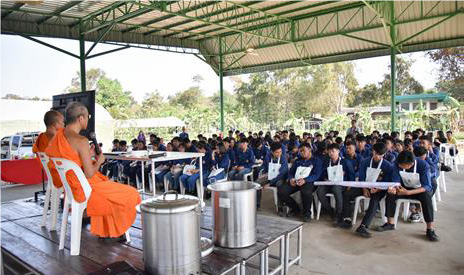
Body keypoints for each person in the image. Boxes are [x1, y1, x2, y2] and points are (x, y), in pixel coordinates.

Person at [45, 102, 141, 240]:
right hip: (85, 188)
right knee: (131, 193)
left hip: (70, 189)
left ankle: (108, 228)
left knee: (112, 191)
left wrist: (88, 155)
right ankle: (113, 229)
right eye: (88, 116)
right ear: (81, 118)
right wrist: (100, 161)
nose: (88, 119)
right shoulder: (81, 140)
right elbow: (89, 173)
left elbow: (73, 163)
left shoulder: (58, 136)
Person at [381, 151, 439, 242]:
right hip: (403, 188)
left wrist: (408, 192)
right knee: (390, 194)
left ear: (410, 164)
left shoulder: (423, 165)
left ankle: (430, 229)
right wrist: (394, 188)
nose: (399, 166)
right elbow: (396, 180)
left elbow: (427, 186)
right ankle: (390, 223)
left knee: (427, 197)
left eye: (402, 165)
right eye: (399, 164)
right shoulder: (397, 163)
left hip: (418, 190)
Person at [351, 142, 395, 236]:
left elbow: (387, 182)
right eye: (376, 154)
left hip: (380, 189)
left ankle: (363, 226)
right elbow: (361, 177)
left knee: (374, 200)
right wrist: (364, 189)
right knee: (348, 193)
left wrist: (378, 189)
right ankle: (345, 218)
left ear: (384, 154)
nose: (378, 157)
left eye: (381, 155)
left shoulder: (388, 166)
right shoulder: (365, 161)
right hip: (365, 186)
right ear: (373, 151)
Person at [277, 143, 323, 222]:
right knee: (281, 191)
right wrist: (291, 178)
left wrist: (305, 180)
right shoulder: (298, 161)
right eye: (300, 151)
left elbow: (317, 175)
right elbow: (291, 172)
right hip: (296, 181)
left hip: (309, 182)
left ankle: (307, 214)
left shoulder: (317, 161)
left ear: (309, 150)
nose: (301, 153)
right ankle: (295, 208)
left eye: (303, 151)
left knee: (305, 192)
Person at [317, 143, 355, 226]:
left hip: (341, 185)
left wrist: (350, 185)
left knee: (336, 189)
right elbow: (322, 174)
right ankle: (331, 211)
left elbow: (352, 175)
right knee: (319, 192)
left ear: (338, 151)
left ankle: (339, 214)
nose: (331, 153)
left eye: (333, 151)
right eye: (329, 152)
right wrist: (325, 179)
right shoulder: (327, 162)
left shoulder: (345, 162)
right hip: (329, 183)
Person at [33, 110, 65, 188]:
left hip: (50, 174)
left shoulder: (40, 137)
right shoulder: (58, 139)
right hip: (61, 176)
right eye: (62, 122)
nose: (64, 124)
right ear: (55, 125)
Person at [256, 142, 288, 209]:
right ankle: (257, 204)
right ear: (272, 152)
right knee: (257, 183)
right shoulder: (268, 156)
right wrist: (264, 173)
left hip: (279, 178)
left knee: (279, 184)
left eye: (280, 151)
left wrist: (270, 183)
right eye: (277, 152)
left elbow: (281, 174)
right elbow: (264, 166)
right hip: (269, 176)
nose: (279, 154)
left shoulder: (283, 159)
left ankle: (280, 206)